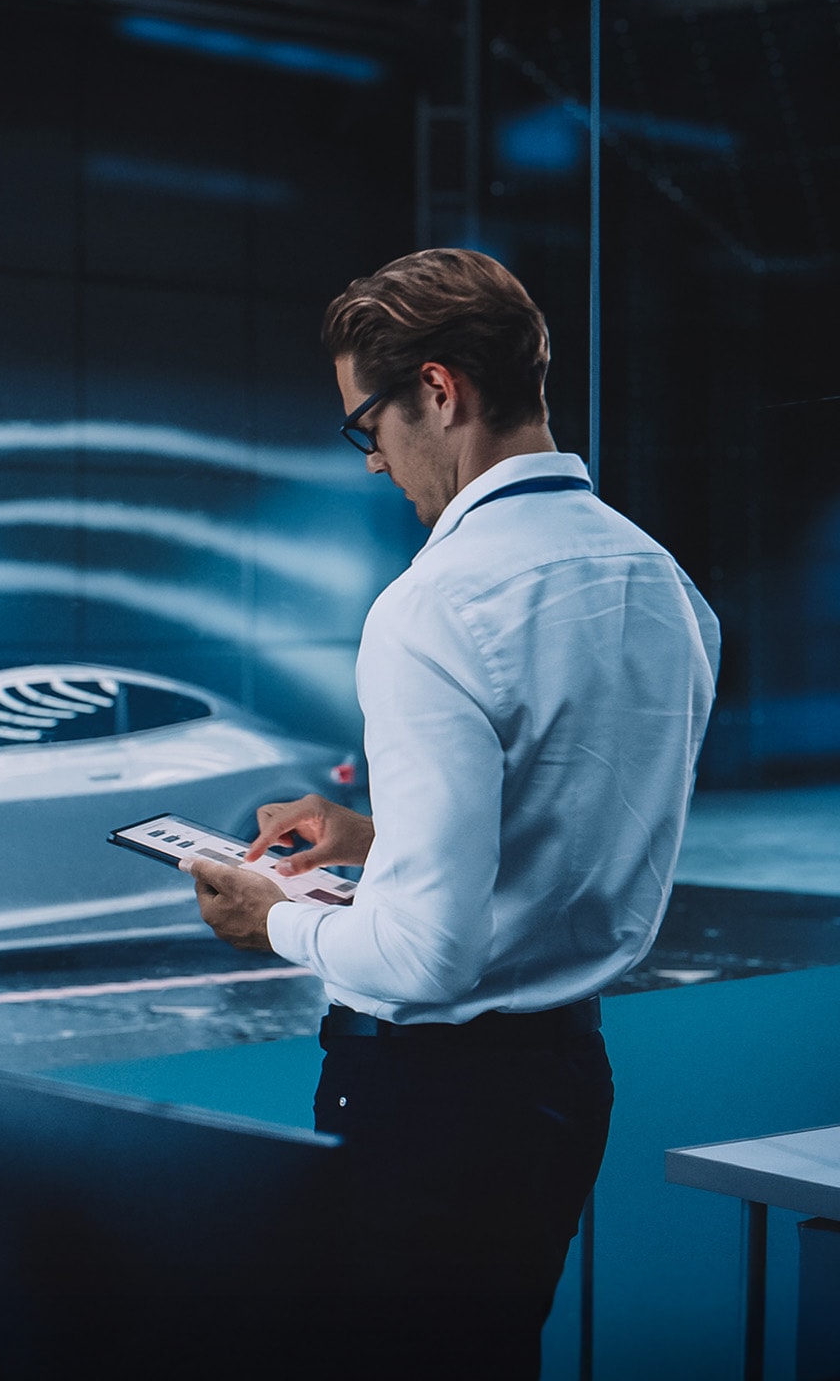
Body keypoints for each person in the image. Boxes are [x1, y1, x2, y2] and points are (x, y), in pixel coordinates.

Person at [182, 248, 719, 1380]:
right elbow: (573, 826)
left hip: (428, 1107)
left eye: (365, 425)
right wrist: (378, 843)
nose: (372, 461)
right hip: (564, 1092)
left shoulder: (432, 606)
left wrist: (265, 919)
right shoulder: (667, 587)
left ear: (440, 390)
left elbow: (424, 960)